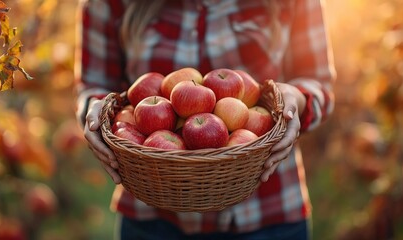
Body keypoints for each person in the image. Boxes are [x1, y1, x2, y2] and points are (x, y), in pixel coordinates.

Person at [74, 0, 336, 239]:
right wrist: (95, 113)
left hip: (267, 211)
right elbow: (94, 85)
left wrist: (296, 99)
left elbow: (318, 84)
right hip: (152, 216)